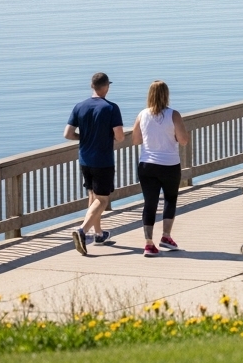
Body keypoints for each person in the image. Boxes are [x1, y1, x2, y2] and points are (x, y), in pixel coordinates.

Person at [128, 80, 190, 257]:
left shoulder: (142, 114)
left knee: (150, 203)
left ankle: (148, 243)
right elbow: (184, 140)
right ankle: (166, 236)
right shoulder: (174, 115)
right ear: (166, 95)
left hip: (147, 165)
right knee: (170, 199)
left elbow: (136, 140)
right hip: (169, 164)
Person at [65, 72, 124, 255]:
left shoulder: (79, 106)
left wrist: (85, 138)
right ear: (106, 86)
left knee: (93, 195)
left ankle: (98, 234)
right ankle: (82, 231)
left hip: (84, 159)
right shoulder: (111, 108)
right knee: (103, 199)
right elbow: (120, 136)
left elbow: (67, 134)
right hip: (102, 160)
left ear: (92, 86)